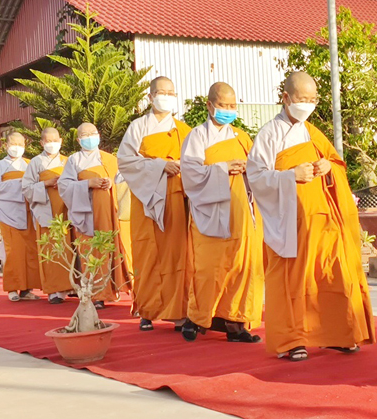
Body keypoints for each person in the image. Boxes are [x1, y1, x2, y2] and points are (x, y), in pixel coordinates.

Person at [246, 71, 376, 362]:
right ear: (286, 98)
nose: (308, 104)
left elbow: (336, 163)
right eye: (302, 98)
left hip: (323, 222)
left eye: (312, 99)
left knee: (330, 275)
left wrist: (328, 168)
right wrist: (289, 175)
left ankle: (336, 334)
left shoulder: (313, 132)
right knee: (291, 281)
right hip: (290, 224)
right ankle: (292, 340)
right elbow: (255, 176)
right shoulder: (269, 134)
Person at [180, 82, 264, 343]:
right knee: (209, 268)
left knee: (242, 266)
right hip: (210, 212)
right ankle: (196, 318)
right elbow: (190, 175)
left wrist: (248, 168)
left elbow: (259, 169)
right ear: (210, 105)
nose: (228, 110)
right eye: (223, 105)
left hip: (241, 212)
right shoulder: (197, 136)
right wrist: (223, 168)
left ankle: (236, 323)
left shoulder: (241, 137)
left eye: (232, 105)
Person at [118, 76, 192, 331]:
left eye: (171, 93)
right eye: (161, 92)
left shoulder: (184, 130)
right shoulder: (138, 127)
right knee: (147, 252)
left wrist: (180, 168)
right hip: (147, 198)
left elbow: (197, 162)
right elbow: (125, 161)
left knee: (177, 254)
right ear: (150, 97)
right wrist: (161, 165)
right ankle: (147, 309)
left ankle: (179, 310)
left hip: (177, 198)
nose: (166, 97)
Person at [58, 123, 131, 309]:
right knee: (91, 251)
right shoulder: (74, 160)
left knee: (113, 248)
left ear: (98, 135)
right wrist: (88, 184)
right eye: (85, 135)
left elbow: (124, 181)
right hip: (87, 212)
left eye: (93, 133)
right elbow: (64, 186)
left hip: (111, 213)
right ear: (78, 140)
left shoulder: (110, 159)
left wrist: (111, 184)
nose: (90, 137)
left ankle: (114, 288)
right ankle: (96, 294)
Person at [0, 132, 41, 302]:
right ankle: (12, 288)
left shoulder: (30, 164)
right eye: (13, 144)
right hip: (9, 214)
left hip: (29, 212)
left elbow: (37, 185)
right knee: (13, 252)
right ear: (6, 146)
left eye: (20, 144)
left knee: (30, 251)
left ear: (25, 145)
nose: (17, 148)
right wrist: (17, 184)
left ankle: (27, 289)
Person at [22, 127, 72, 304]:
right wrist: (45, 183)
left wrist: (65, 184)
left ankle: (72, 286)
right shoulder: (35, 162)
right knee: (51, 249)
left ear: (61, 141)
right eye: (48, 141)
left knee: (70, 248)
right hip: (47, 212)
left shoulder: (68, 161)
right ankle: (54, 290)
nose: (52, 144)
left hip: (66, 212)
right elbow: (26, 189)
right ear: (42, 142)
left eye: (55, 141)